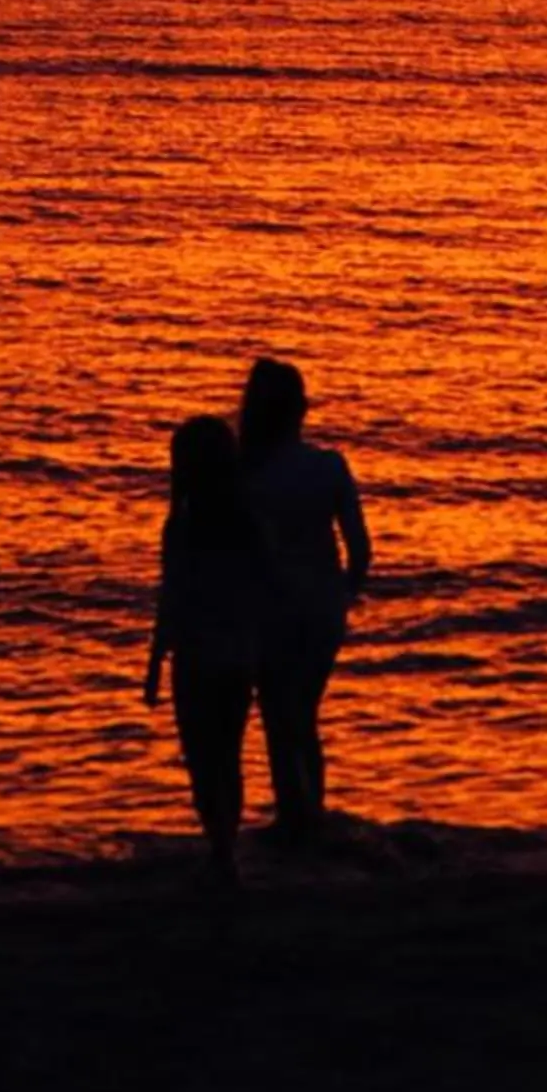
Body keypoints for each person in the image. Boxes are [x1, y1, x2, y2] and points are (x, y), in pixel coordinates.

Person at [237, 356, 370, 842]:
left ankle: (297, 817)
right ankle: (309, 810)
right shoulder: (329, 467)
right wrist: (340, 597)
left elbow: (239, 553)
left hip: (274, 610)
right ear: (302, 409)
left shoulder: (245, 474)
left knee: (281, 715)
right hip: (322, 611)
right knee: (303, 714)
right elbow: (360, 550)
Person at [144, 414, 274, 879]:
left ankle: (220, 846)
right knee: (225, 755)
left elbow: (172, 595)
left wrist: (156, 660)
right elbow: (265, 586)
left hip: (202, 657)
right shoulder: (240, 524)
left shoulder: (184, 528)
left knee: (204, 757)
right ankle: (224, 844)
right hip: (232, 654)